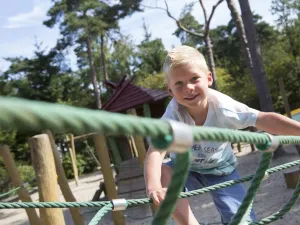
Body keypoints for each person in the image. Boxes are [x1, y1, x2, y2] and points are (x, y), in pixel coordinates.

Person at [143, 45, 300, 225]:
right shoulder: (172, 117)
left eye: (194, 79)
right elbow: (155, 152)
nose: (188, 87)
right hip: (185, 170)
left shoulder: (224, 107)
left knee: (240, 219)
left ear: (209, 78)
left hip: (221, 170)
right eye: (179, 83)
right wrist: (153, 186)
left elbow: (264, 119)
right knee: (164, 172)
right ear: (169, 90)